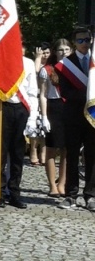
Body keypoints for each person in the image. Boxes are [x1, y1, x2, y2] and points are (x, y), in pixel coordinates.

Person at [0, 48, 40, 209]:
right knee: (0, 154)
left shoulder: (28, 63)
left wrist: (32, 118)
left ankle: (14, 192)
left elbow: (31, 92)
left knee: (18, 154)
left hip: (22, 108)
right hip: (3, 107)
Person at [54, 27, 95, 211]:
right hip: (73, 114)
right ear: (74, 43)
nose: (85, 43)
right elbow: (65, 91)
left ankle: (91, 195)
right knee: (71, 155)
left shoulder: (94, 61)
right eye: (80, 40)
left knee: (92, 155)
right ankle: (71, 195)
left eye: (87, 39)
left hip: (93, 115)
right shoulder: (65, 65)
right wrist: (86, 95)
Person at [40, 38, 71, 197]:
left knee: (67, 150)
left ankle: (62, 183)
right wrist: (44, 116)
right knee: (51, 149)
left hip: (70, 109)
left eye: (66, 49)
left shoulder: (76, 70)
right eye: (60, 50)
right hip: (54, 108)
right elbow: (43, 95)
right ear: (55, 52)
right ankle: (52, 184)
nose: (64, 53)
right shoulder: (48, 69)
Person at [27, 44, 50, 166]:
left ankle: (44, 152)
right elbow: (36, 72)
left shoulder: (52, 65)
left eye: (47, 53)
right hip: (35, 98)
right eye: (42, 53)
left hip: (47, 99)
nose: (45, 55)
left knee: (45, 128)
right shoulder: (32, 64)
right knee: (35, 126)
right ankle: (33, 151)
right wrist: (38, 58)